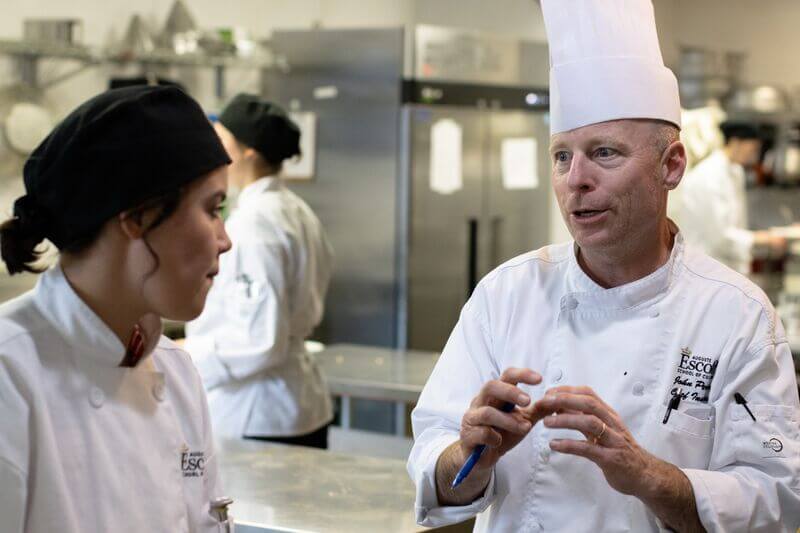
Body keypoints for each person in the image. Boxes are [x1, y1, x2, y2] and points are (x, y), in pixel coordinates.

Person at [407, 1, 800, 532]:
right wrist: (472, 453)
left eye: (605, 153)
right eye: (562, 156)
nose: (576, 180)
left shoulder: (737, 316)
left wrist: (646, 474)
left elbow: (775, 494)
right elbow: (438, 473)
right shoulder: (506, 294)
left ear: (671, 165)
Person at [0, 85, 234, 532]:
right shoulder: (10, 376)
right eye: (212, 209)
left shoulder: (176, 371)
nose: (224, 240)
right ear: (137, 217)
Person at [185, 94, 334, 449]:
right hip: (295, 404)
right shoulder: (295, 209)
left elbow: (259, 341)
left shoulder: (255, 224)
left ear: (247, 150)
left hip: (258, 411)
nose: (215, 147)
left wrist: (188, 353)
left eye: (221, 137)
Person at [677, 120, 785, 273]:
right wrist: (762, 239)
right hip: (707, 267)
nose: (755, 155)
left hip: (728, 266)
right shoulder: (709, 176)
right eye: (753, 149)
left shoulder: (735, 171)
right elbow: (720, 237)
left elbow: (736, 223)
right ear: (735, 143)